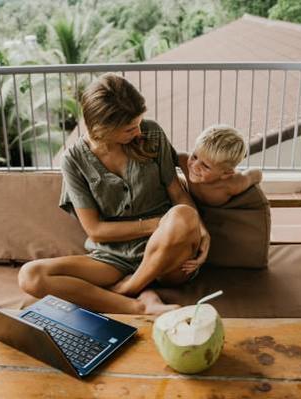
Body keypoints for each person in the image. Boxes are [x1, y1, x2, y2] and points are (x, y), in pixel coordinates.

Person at [18, 73, 210, 315]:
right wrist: (156, 224)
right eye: (130, 128)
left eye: (139, 122)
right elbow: (96, 231)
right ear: (101, 130)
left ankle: (129, 287)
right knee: (30, 276)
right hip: (113, 258)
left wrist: (201, 230)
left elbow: (178, 195)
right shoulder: (73, 161)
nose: (139, 131)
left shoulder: (152, 135)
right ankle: (137, 306)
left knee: (183, 215)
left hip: (168, 255)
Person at [177, 124, 263, 207]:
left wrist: (256, 177)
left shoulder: (232, 184)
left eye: (206, 166)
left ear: (226, 174)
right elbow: (166, 153)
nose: (194, 166)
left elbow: (257, 174)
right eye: (195, 156)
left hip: (221, 210)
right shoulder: (184, 160)